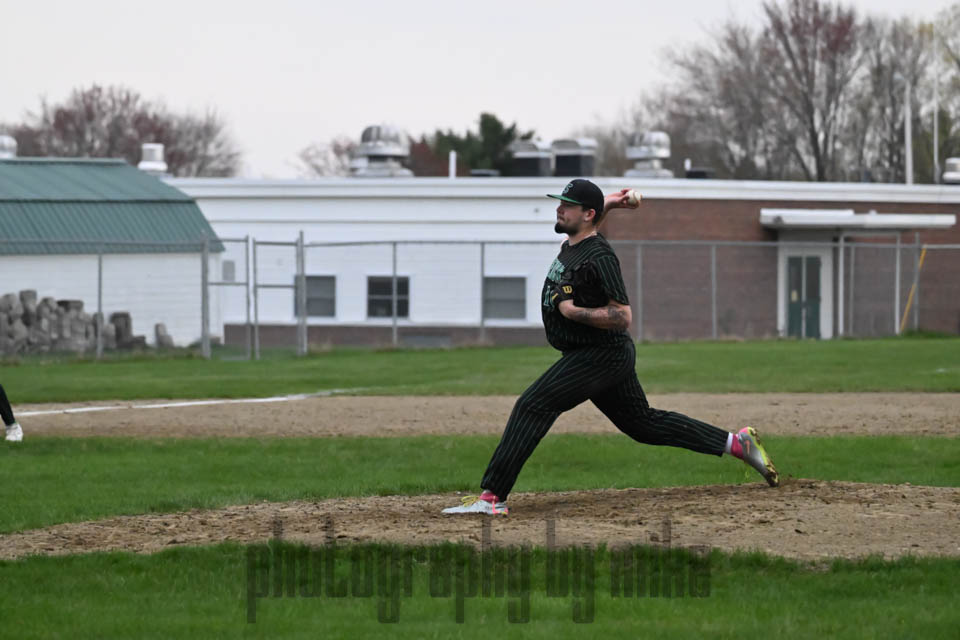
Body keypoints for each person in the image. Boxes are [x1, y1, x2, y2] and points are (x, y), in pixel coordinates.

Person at [444, 179, 778, 515]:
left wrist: (572, 312)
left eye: (567, 205)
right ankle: (738, 444)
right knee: (642, 424)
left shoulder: (600, 256)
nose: (559, 209)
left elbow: (622, 316)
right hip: (598, 353)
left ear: (587, 214)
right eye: (560, 202)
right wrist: (611, 204)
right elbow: (589, 221)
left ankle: (492, 498)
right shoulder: (575, 242)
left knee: (533, 405)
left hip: (601, 354)